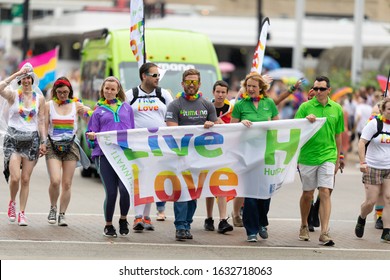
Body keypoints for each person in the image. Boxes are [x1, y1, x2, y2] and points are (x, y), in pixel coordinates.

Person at [165, 68, 217, 241]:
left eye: (194, 82)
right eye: (188, 82)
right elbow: (171, 127)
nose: (191, 85)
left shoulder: (207, 105)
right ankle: (180, 226)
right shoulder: (175, 104)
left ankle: (187, 223)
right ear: (182, 84)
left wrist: (212, 124)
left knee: (194, 193)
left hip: (200, 157)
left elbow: (217, 127)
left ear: (199, 84)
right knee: (181, 191)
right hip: (180, 155)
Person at [295, 76, 344, 246]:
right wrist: (304, 122)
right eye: (316, 89)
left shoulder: (337, 108)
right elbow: (294, 131)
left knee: (324, 191)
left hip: (328, 155)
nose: (318, 92)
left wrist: (338, 158)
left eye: (322, 89)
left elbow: (338, 135)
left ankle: (324, 232)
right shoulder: (305, 107)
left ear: (328, 90)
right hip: (307, 156)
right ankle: (303, 224)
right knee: (308, 194)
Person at [230, 72, 279, 242]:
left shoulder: (270, 103)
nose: (251, 89)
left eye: (254, 86)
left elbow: (278, 125)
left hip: (267, 154)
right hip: (247, 155)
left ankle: (262, 223)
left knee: (265, 193)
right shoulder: (240, 105)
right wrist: (241, 124)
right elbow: (231, 129)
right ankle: (251, 230)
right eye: (248, 86)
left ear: (261, 88)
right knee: (250, 194)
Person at [125, 62, 173, 231]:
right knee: (139, 180)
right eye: (154, 75)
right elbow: (123, 116)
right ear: (144, 76)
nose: (157, 78)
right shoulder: (131, 94)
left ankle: (146, 216)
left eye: (158, 75)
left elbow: (172, 116)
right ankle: (138, 217)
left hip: (158, 145)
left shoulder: (164, 94)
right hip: (137, 145)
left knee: (152, 180)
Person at [86, 76, 135, 237]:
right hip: (104, 155)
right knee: (112, 192)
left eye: (113, 89)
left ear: (118, 91)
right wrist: (92, 137)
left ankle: (123, 219)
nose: (109, 91)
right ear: (103, 90)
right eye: (107, 88)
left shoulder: (127, 108)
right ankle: (108, 225)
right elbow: (89, 134)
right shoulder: (97, 111)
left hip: (124, 154)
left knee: (125, 190)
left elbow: (133, 132)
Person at [0, 63, 46, 226]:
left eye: (28, 77)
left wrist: (43, 141)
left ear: (32, 79)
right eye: (23, 78)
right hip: (13, 140)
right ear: (20, 80)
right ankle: (12, 203)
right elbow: (0, 88)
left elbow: (41, 120)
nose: (26, 80)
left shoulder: (39, 98)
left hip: (31, 140)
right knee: (15, 178)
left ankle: (22, 213)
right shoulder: (13, 95)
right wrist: (16, 73)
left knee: (25, 179)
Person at [45, 77, 91, 226]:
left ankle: (62, 214)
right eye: (59, 92)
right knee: (55, 180)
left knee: (67, 183)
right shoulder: (49, 105)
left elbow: (90, 120)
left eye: (65, 92)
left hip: (71, 146)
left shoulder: (76, 105)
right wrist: (41, 142)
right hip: (53, 145)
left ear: (70, 92)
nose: (62, 95)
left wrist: (89, 112)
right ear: (55, 92)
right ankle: (53, 207)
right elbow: (44, 125)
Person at [355, 97, 390, 243]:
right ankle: (362, 217)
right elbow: (362, 143)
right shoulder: (375, 124)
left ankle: (387, 231)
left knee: (389, 198)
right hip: (373, 167)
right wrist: (362, 162)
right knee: (371, 201)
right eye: (389, 109)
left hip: (389, 168)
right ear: (382, 110)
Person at [203, 80, 234, 234]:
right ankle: (209, 218)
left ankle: (223, 220)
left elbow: (236, 127)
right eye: (218, 92)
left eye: (223, 92)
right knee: (209, 187)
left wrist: (224, 125)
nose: (220, 95)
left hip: (225, 153)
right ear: (213, 92)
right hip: (208, 151)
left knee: (221, 185)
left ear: (227, 93)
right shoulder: (207, 107)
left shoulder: (231, 108)